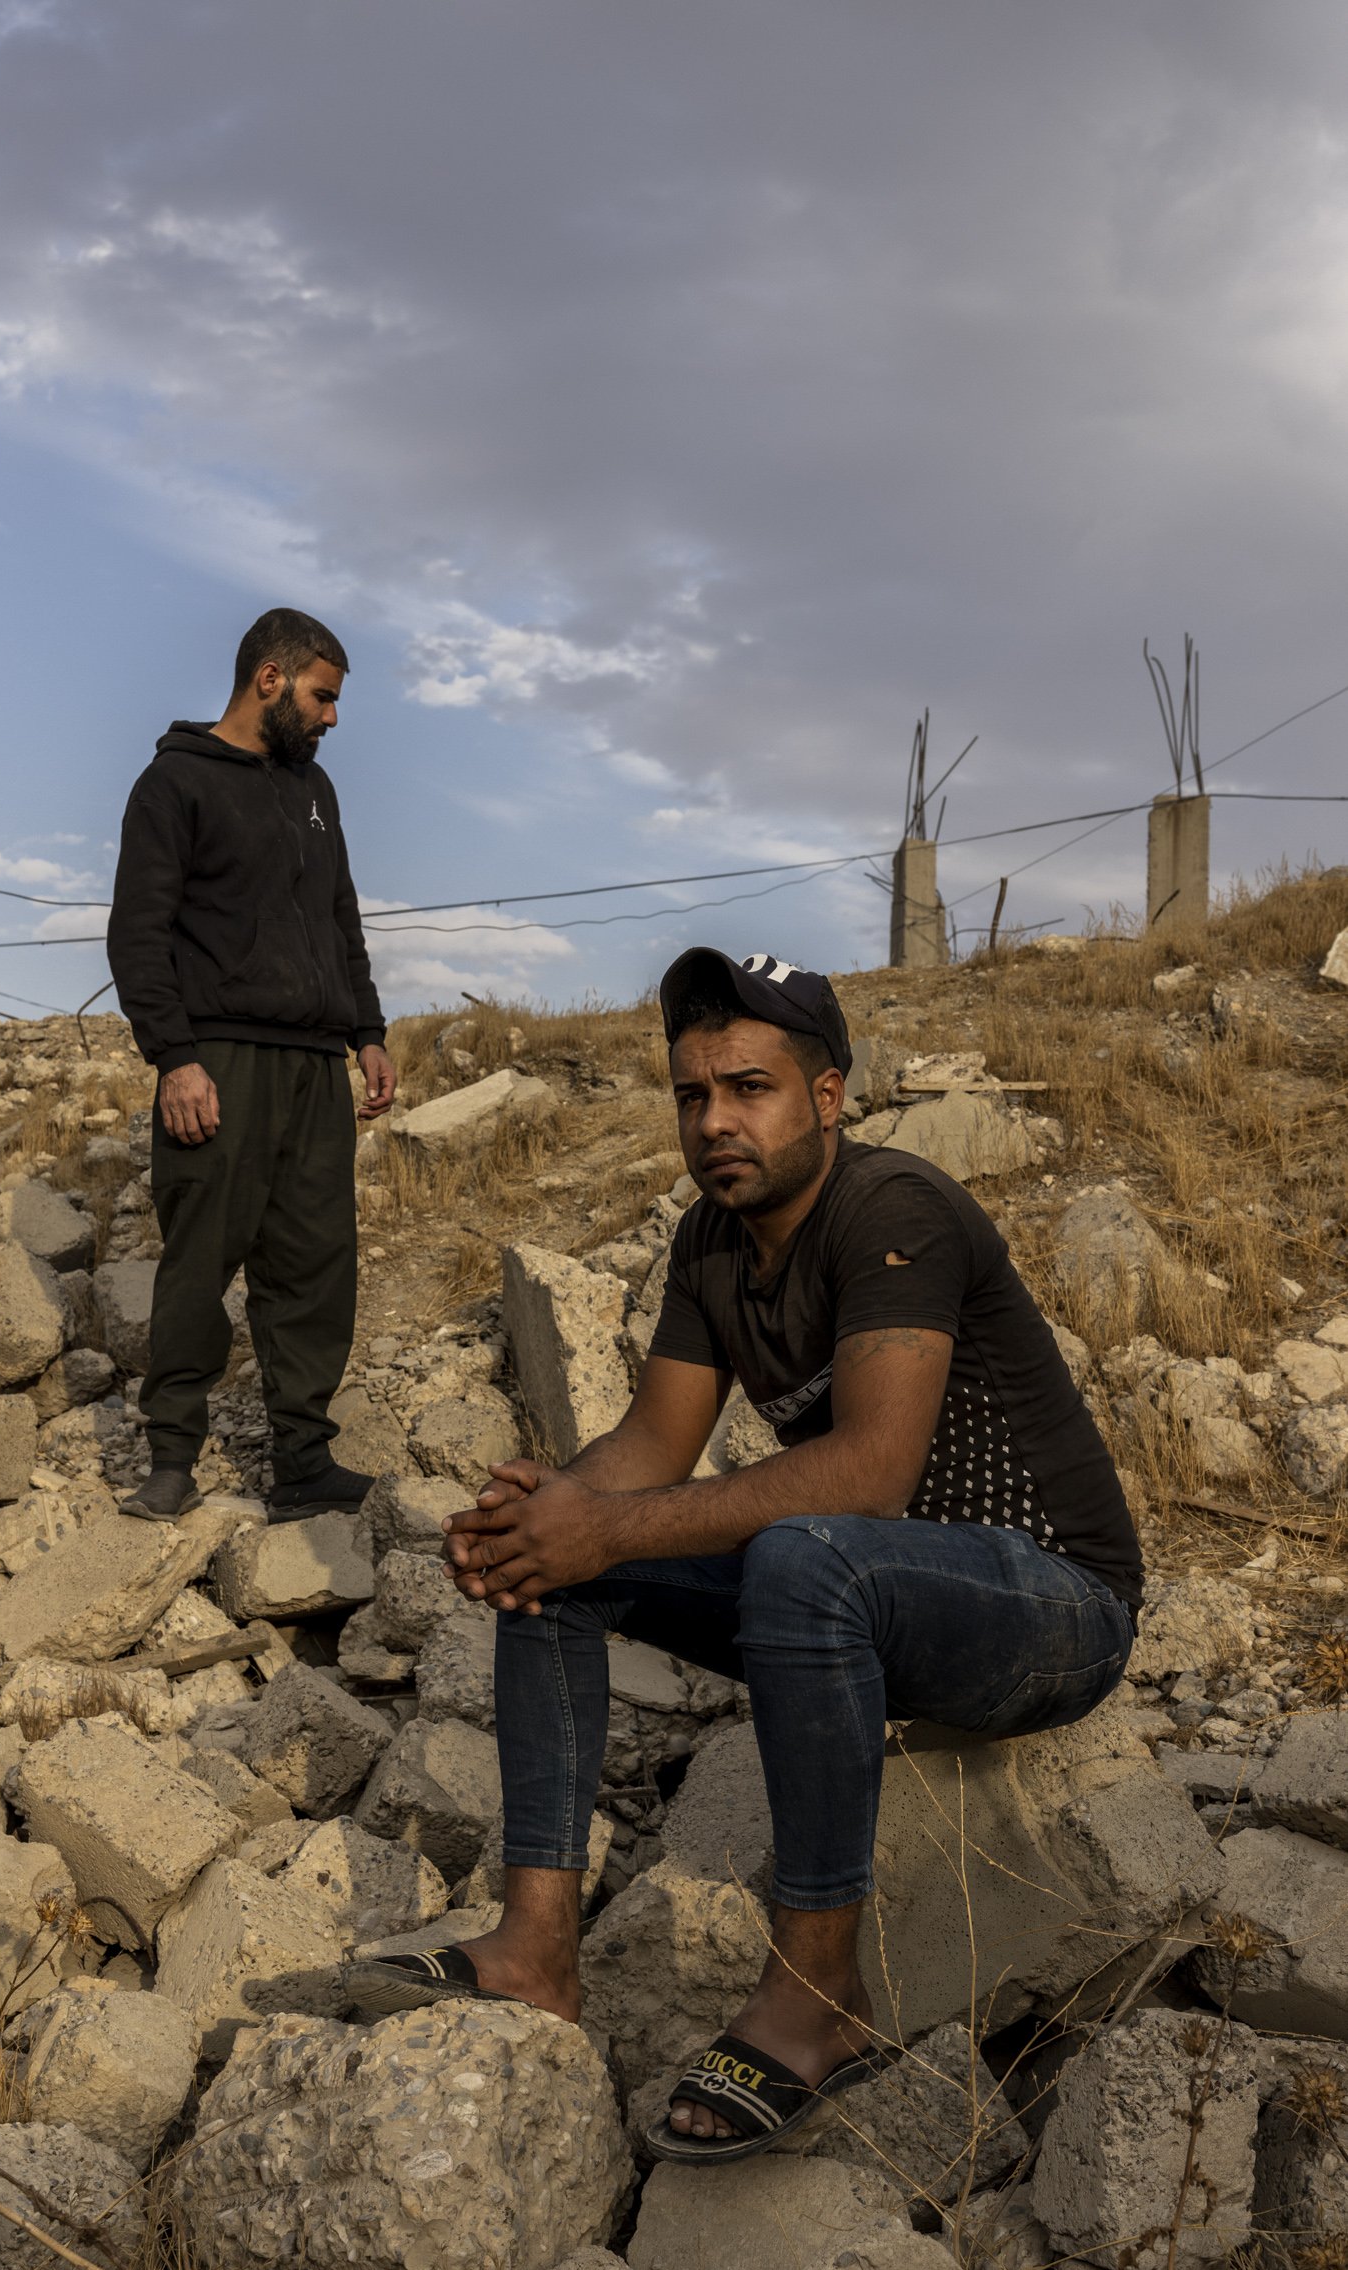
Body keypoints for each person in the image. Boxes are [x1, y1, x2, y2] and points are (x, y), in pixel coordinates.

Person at [349, 944, 1142, 2165]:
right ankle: (534, 1947)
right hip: (862, 1589)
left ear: (826, 1096)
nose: (714, 1121)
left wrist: (604, 1523)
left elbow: (869, 1470)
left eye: (748, 1089)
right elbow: (653, 1445)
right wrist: (549, 1515)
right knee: (554, 1571)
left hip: (1043, 1603)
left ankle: (818, 1995)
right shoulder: (709, 1245)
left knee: (798, 1555)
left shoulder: (891, 1208)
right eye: (690, 1094)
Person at [106, 608, 396, 1525]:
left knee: (315, 1264)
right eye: (322, 697)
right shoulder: (173, 783)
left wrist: (369, 1032)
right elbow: (137, 934)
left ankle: (303, 1463)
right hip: (220, 1062)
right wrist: (175, 1058)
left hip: (315, 1067)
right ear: (268, 680)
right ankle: (171, 1459)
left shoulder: (317, 793)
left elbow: (340, 920)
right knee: (199, 1262)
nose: (332, 719)